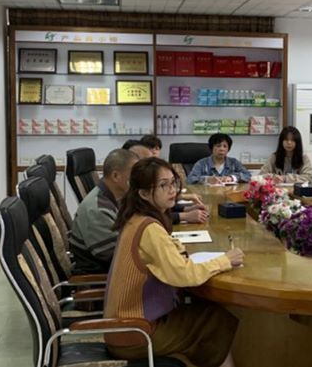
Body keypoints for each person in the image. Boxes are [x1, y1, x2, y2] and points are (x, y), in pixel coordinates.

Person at [104, 157, 244, 367]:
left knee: (206, 314)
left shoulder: (137, 217)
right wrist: (225, 260)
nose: (172, 190)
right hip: (135, 333)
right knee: (214, 321)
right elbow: (183, 275)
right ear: (143, 193)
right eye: (163, 185)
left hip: (127, 325)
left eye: (173, 183)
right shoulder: (149, 229)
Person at [68, 149, 138, 274]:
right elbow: (119, 258)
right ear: (115, 176)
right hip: (101, 277)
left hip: (115, 270)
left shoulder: (119, 197)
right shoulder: (97, 209)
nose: (139, 180)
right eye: (135, 175)